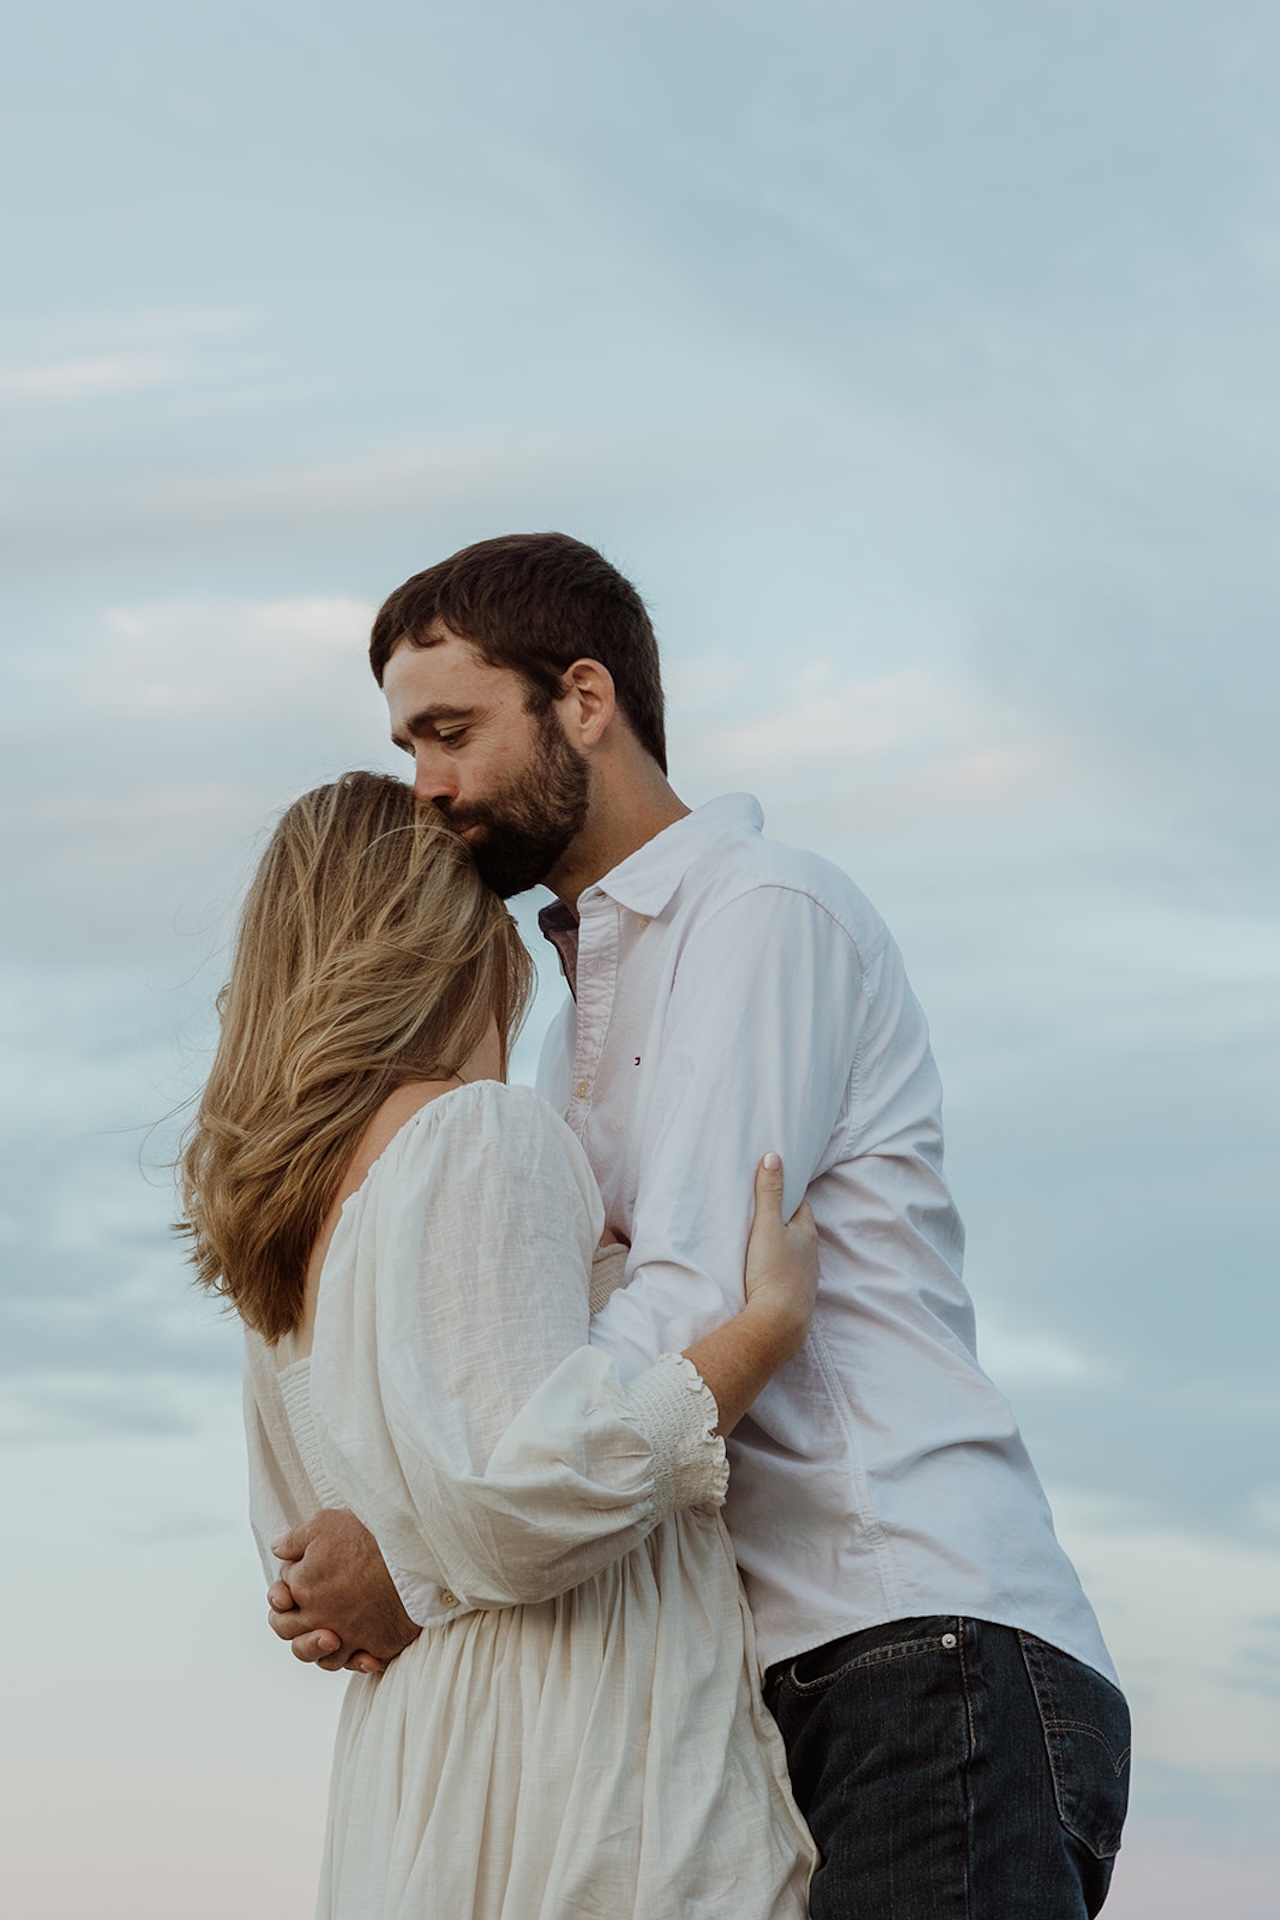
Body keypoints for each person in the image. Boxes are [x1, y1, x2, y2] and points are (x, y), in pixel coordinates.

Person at [271, 534, 1133, 1919]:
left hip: (912, 1638)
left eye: (451, 731)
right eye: (406, 743)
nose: (424, 786)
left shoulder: (761, 912)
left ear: (587, 702)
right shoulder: (560, 1051)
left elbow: (688, 1301)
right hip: (754, 1680)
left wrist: (419, 1566)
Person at [180, 771, 818, 1918]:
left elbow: (311, 1550)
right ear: (444, 934)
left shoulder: (277, 1226)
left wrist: (403, 1576)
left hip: (418, 1767)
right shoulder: (475, 1135)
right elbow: (520, 1502)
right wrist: (754, 1341)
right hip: (561, 1742)